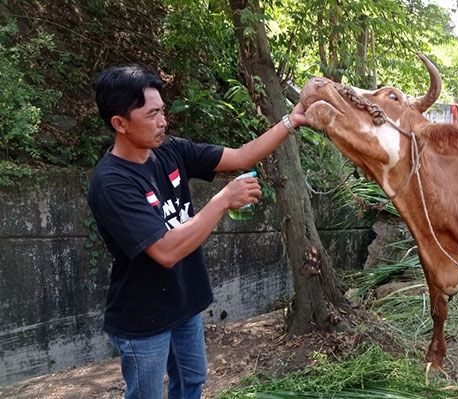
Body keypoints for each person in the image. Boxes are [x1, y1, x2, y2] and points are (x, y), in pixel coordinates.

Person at [87, 65, 307, 399]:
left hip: (184, 300)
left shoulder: (170, 150)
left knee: (191, 382)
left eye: (162, 111)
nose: (163, 121)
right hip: (142, 316)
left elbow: (241, 156)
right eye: (152, 114)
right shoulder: (112, 183)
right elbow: (165, 251)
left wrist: (292, 120)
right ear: (120, 123)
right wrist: (222, 200)